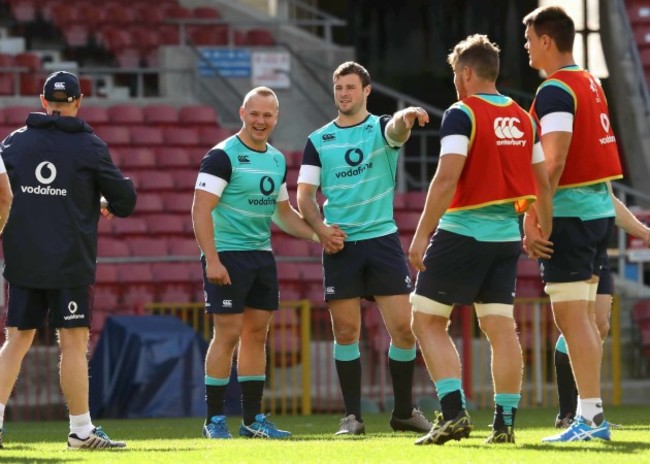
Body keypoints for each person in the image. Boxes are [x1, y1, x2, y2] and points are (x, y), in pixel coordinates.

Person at [408, 34, 553, 446]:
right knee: (501, 329)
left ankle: (452, 414)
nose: (455, 81)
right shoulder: (525, 118)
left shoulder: (461, 112)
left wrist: (420, 236)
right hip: (506, 237)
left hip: (461, 232)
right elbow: (540, 180)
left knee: (427, 321)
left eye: (456, 74)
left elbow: (446, 176)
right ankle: (504, 425)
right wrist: (535, 224)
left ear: (467, 73)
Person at [193, 86, 342, 440]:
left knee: (257, 335)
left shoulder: (276, 159)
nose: (261, 121)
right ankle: (214, 419)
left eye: (268, 115)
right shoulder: (222, 156)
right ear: (242, 113)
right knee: (226, 334)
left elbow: (282, 213)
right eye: (255, 114)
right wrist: (212, 259)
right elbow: (200, 209)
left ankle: (252, 420)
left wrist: (317, 233)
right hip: (227, 255)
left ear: (276, 118)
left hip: (261, 256)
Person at [0, 71, 137, 449]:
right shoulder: (89, 146)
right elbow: (125, 200)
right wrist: (102, 200)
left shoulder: (13, 143)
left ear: (43, 102)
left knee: (15, 342)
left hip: (23, 260)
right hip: (70, 262)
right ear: (77, 102)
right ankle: (80, 431)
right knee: (73, 344)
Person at [296, 61, 432, 436]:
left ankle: (403, 411)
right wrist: (321, 230)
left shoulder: (380, 128)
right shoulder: (318, 140)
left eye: (351, 87)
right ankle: (352, 417)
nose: (343, 93)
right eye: (338, 87)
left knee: (404, 330)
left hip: (382, 241)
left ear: (366, 91)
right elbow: (304, 196)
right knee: (345, 331)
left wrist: (406, 115)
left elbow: (397, 129)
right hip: (341, 245)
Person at [523, 5, 624, 442]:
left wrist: (534, 216)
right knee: (584, 320)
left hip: (571, 216)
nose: (526, 48)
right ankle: (589, 415)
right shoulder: (590, 82)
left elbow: (556, 157)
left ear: (546, 41)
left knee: (574, 320)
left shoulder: (556, 89)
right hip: (597, 213)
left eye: (529, 40)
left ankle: (590, 419)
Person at [550, 197, 650, 428]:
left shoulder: (598, 170)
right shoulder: (561, 161)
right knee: (576, 324)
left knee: (599, 324)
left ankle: (586, 412)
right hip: (569, 231)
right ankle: (568, 414)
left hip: (596, 240)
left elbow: (607, 197)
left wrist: (643, 233)